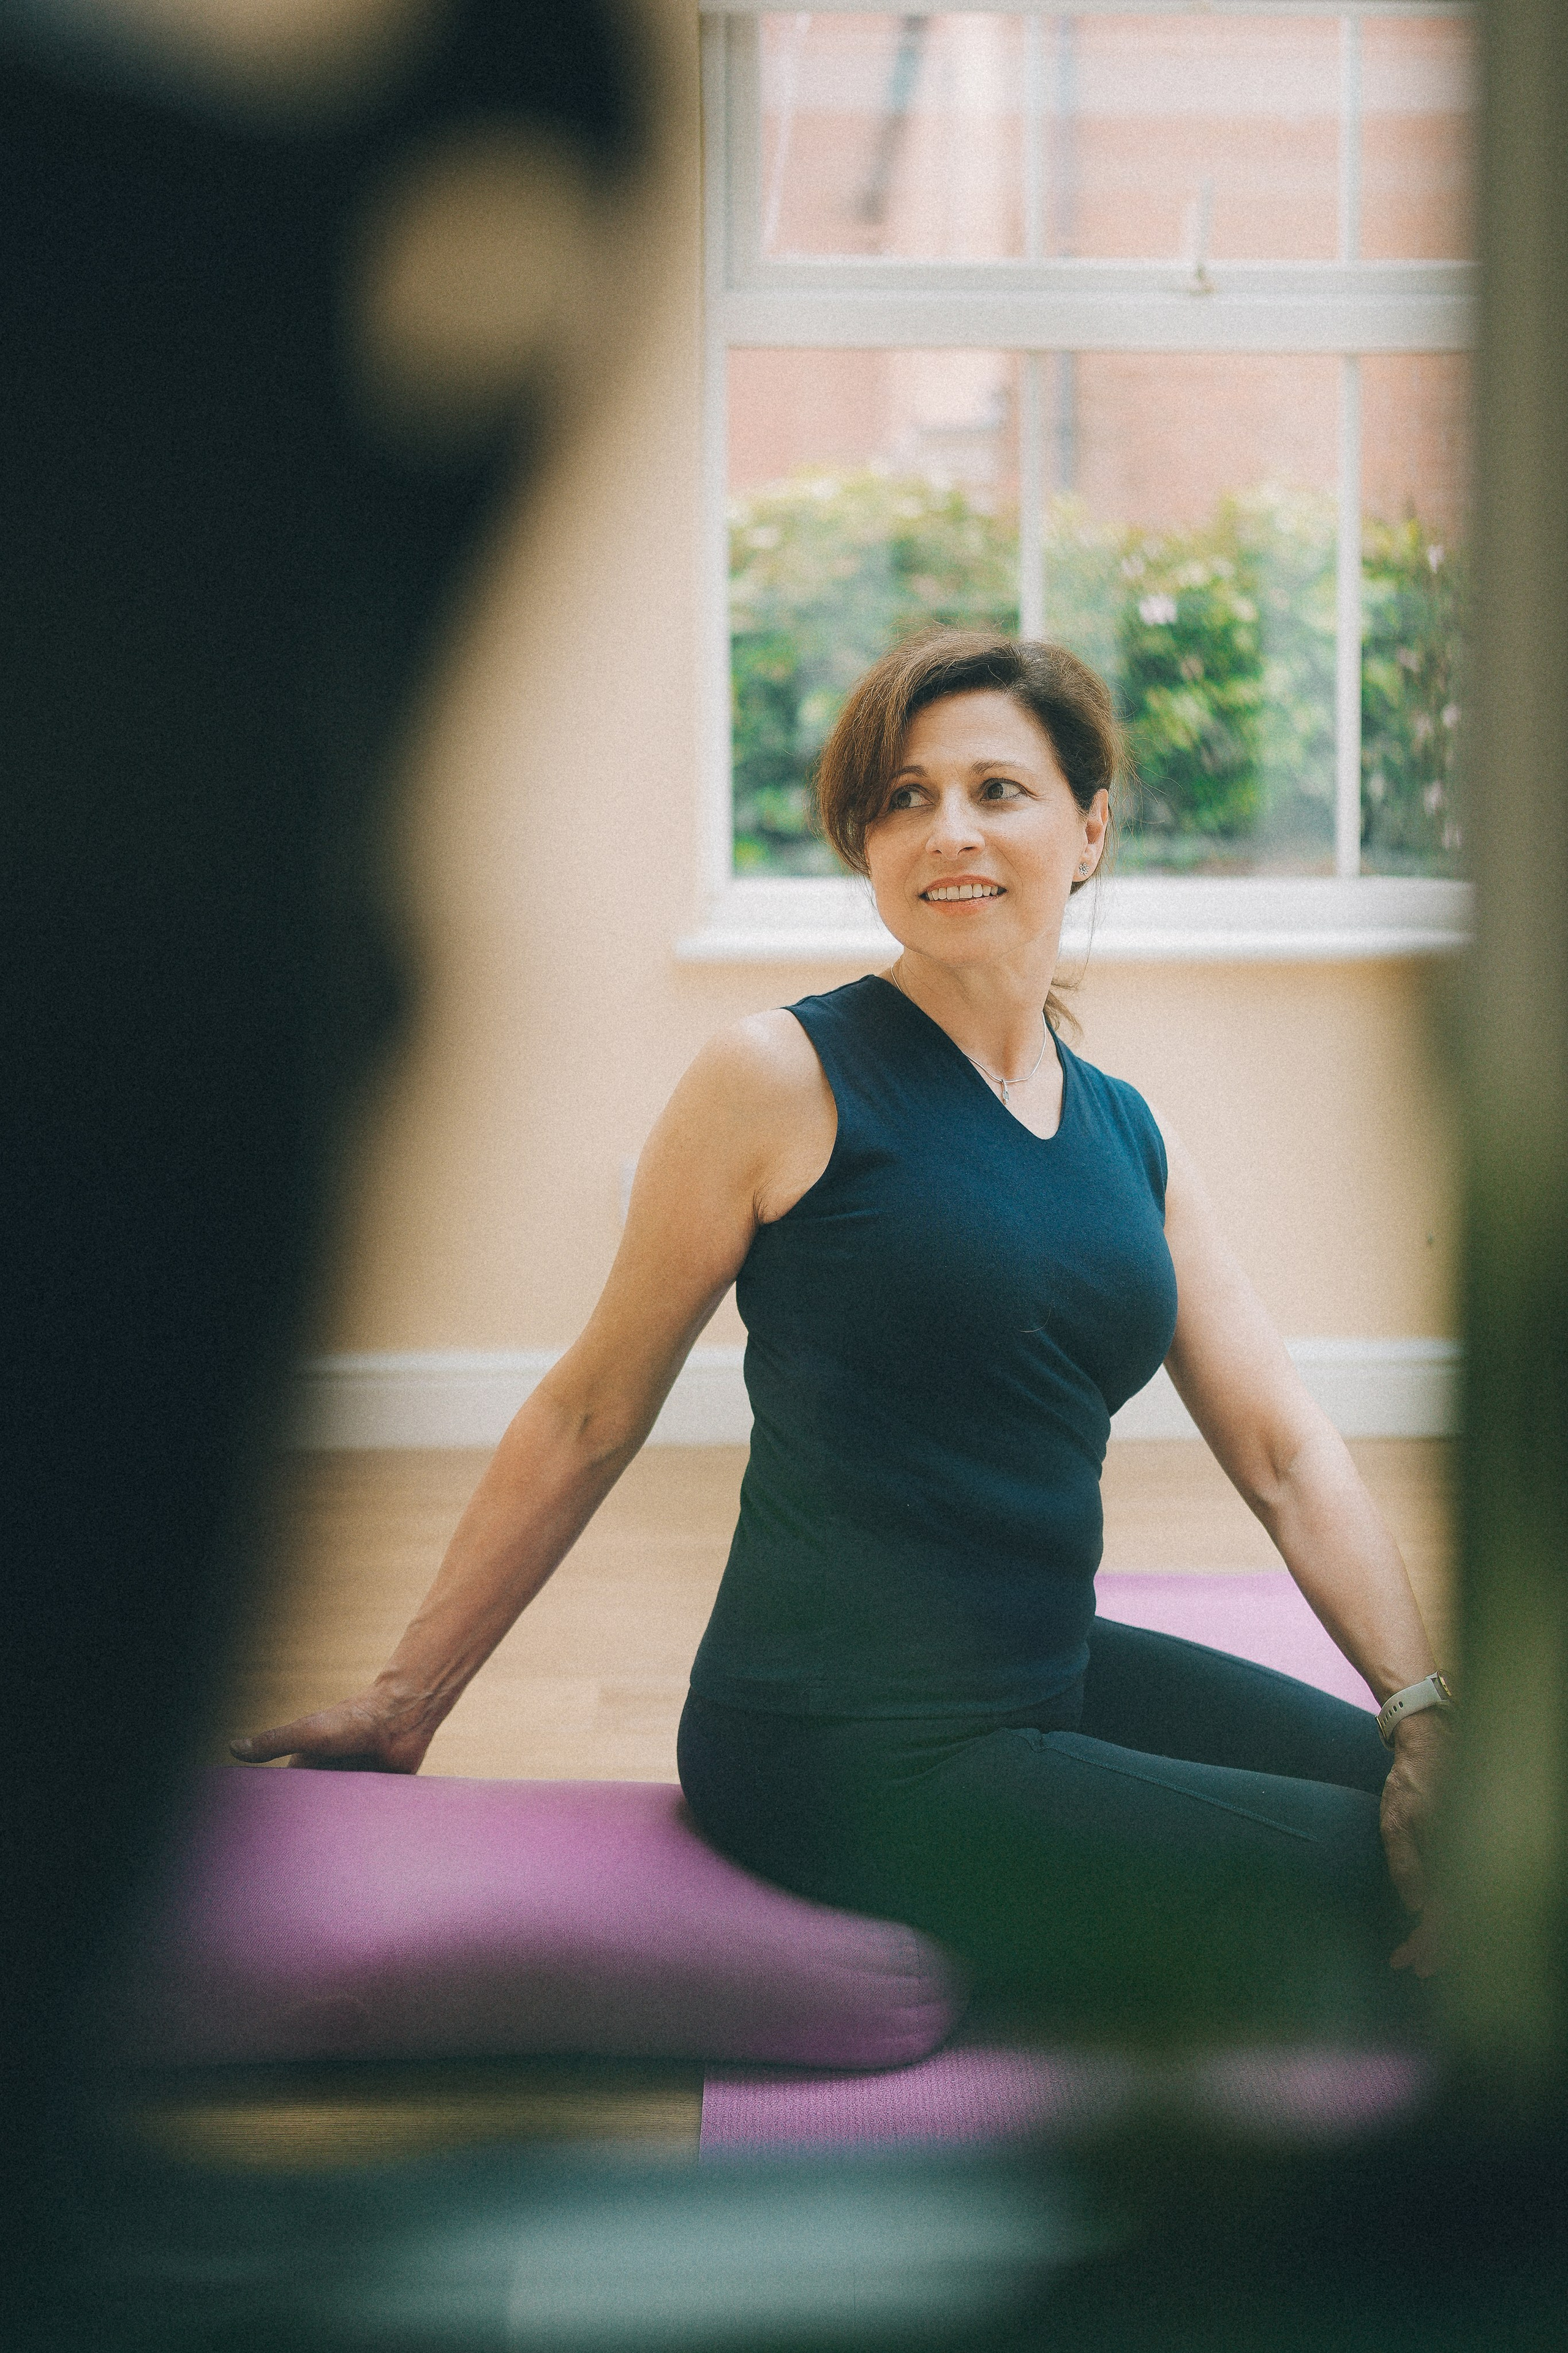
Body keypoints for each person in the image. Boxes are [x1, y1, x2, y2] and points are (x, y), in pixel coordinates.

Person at [235, 629, 1450, 2036]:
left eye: (997, 789)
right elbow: (589, 1409)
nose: (948, 831)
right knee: (1442, 1886)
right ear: (863, 842)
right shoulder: (780, 1075)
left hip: (1043, 1669)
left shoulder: (1124, 1131)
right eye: (901, 798)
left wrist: (1418, 1708)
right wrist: (406, 1700)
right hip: (836, 1744)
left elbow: (1282, 1447)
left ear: (1089, 827)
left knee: (1468, 1812)